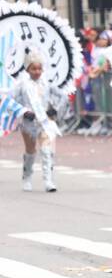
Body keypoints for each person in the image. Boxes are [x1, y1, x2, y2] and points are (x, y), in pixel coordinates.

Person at [14, 52, 60, 192]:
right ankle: (27, 177)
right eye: (34, 69)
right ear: (27, 69)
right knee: (30, 150)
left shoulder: (48, 82)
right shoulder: (21, 84)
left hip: (45, 121)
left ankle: (48, 180)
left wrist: (54, 109)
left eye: (39, 69)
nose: (37, 72)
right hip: (28, 122)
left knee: (47, 150)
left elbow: (60, 97)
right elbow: (13, 103)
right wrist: (24, 112)